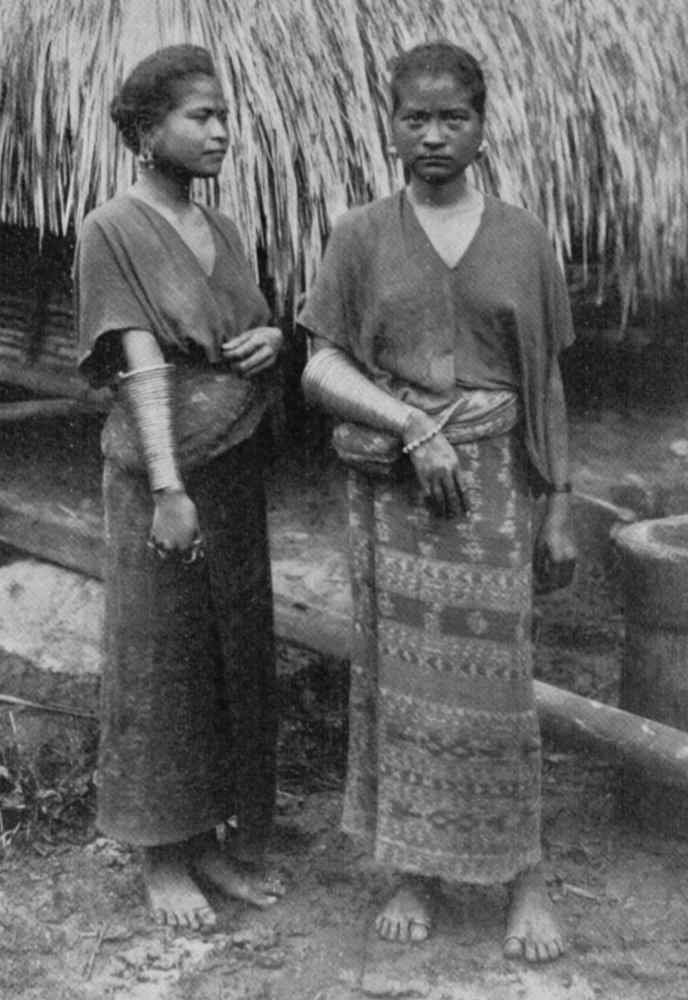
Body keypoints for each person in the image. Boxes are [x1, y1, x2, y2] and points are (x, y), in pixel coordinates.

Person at [299, 40, 577, 963]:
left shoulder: (525, 237)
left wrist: (561, 502)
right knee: (398, 682)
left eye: (452, 117)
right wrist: (412, 428)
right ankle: (412, 867)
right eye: (415, 118)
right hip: (396, 493)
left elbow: (545, 382)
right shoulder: (361, 235)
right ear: (390, 124)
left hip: (496, 488)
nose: (433, 136)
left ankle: (522, 875)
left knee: (502, 686)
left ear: (483, 124)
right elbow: (320, 364)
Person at [74, 44, 284, 930]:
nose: (221, 132)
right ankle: (161, 853)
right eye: (200, 116)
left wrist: (274, 340)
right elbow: (139, 360)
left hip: (233, 464)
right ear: (145, 128)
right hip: (165, 474)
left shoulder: (225, 229)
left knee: (228, 654)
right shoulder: (111, 228)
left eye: (224, 116)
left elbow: (252, 323)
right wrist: (167, 486)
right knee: (160, 658)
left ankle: (211, 842)